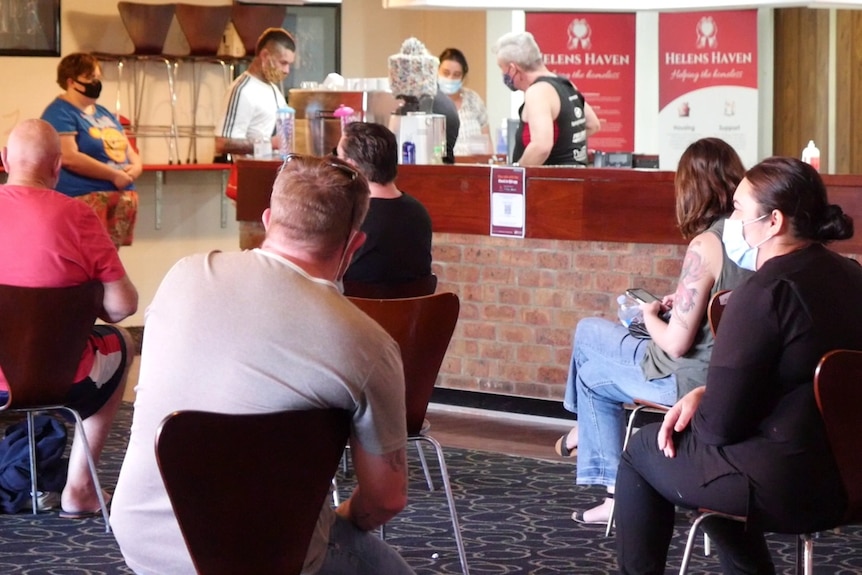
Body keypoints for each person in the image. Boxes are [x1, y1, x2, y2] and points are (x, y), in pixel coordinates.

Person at [110, 153, 415, 575]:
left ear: (269, 220)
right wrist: (336, 521)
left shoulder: (184, 274)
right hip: (272, 558)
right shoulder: (368, 344)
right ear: (354, 246)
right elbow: (386, 498)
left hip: (144, 539)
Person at [615, 157, 861, 575]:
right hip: (851, 475)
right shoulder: (853, 277)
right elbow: (805, 382)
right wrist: (705, 392)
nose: (732, 220)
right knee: (718, 467)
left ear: (774, 222)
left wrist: (704, 400)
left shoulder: (762, 293)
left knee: (642, 449)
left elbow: (718, 428)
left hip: (790, 484)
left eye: (739, 209)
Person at [557, 138, 751, 525]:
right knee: (594, 377)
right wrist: (679, 301)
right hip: (732, 376)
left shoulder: (706, 243)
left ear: (690, 188)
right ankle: (607, 479)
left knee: (588, 331)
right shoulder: (755, 239)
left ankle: (587, 439)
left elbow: (677, 344)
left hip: (685, 382)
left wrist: (649, 315)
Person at [0, 119, 138, 517]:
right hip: (64, 378)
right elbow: (122, 307)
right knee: (123, 343)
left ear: (5, 159)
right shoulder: (79, 217)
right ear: (58, 167)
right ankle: (79, 490)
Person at [41, 52, 142, 248]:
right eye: (89, 78)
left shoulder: (104, 113)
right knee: (86, 258)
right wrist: (113, 175)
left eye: (97, 78)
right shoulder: (59, 112)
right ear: (71, 81)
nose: (95, 83)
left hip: (119, 196)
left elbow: (128, 149)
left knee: (109, 259)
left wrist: (136, 166)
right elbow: (69, 157)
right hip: (84, 196)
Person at [336, 121, 432, 285]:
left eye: (338, 157)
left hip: (355, 309)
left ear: (351, 167)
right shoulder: (419, 212)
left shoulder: (352, 216)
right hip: (414, 310)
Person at [492, 31, 600, 167]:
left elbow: (541, 147)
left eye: (502, 68)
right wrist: (565, 146)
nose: (502, 75)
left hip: (550, 183)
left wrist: (515, 174)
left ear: (513, 69)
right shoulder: (566, 84)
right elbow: (593, 124)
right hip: (576, 178)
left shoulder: (537, 92)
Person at [214, 28, 296, 158]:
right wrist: (270, 143)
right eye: (283, 63)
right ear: (265, 56)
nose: (286, 70)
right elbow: (222, 143)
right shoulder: (242, 90)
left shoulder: (273, 89)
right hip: (250, 173)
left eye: (289, 65)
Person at [438, 47, 493, 156]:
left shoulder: (473, 100)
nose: (450, 78)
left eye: (456, 75)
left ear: (463, 77)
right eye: (446, 73)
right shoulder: (429, 102)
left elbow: (488, 144)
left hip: (473, 169)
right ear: (437, 71)